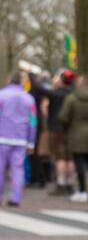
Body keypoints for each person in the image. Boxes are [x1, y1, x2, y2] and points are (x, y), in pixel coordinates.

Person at [59, 75, 88, 201]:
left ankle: (82, 191)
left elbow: (63, 116)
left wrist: (69, 127)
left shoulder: (71, 99)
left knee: (79, 164)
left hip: (75, 133)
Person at [0, 68, 37, 208]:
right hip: (21, 139)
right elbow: (33, 122)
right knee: (18, 169)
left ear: (9, 80)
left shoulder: (1, 95)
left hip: (2, 137)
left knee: (0, 168)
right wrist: (31, 143)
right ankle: (15, 198)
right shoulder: (29, 99)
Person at [43, 69, 75, 194]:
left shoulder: (55, 94)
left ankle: (61, 184)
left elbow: (39, 89)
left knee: (60, 157)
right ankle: (70, 183)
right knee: (70, 158)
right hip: (71, 129)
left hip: (56, 129)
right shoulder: (73, 94)